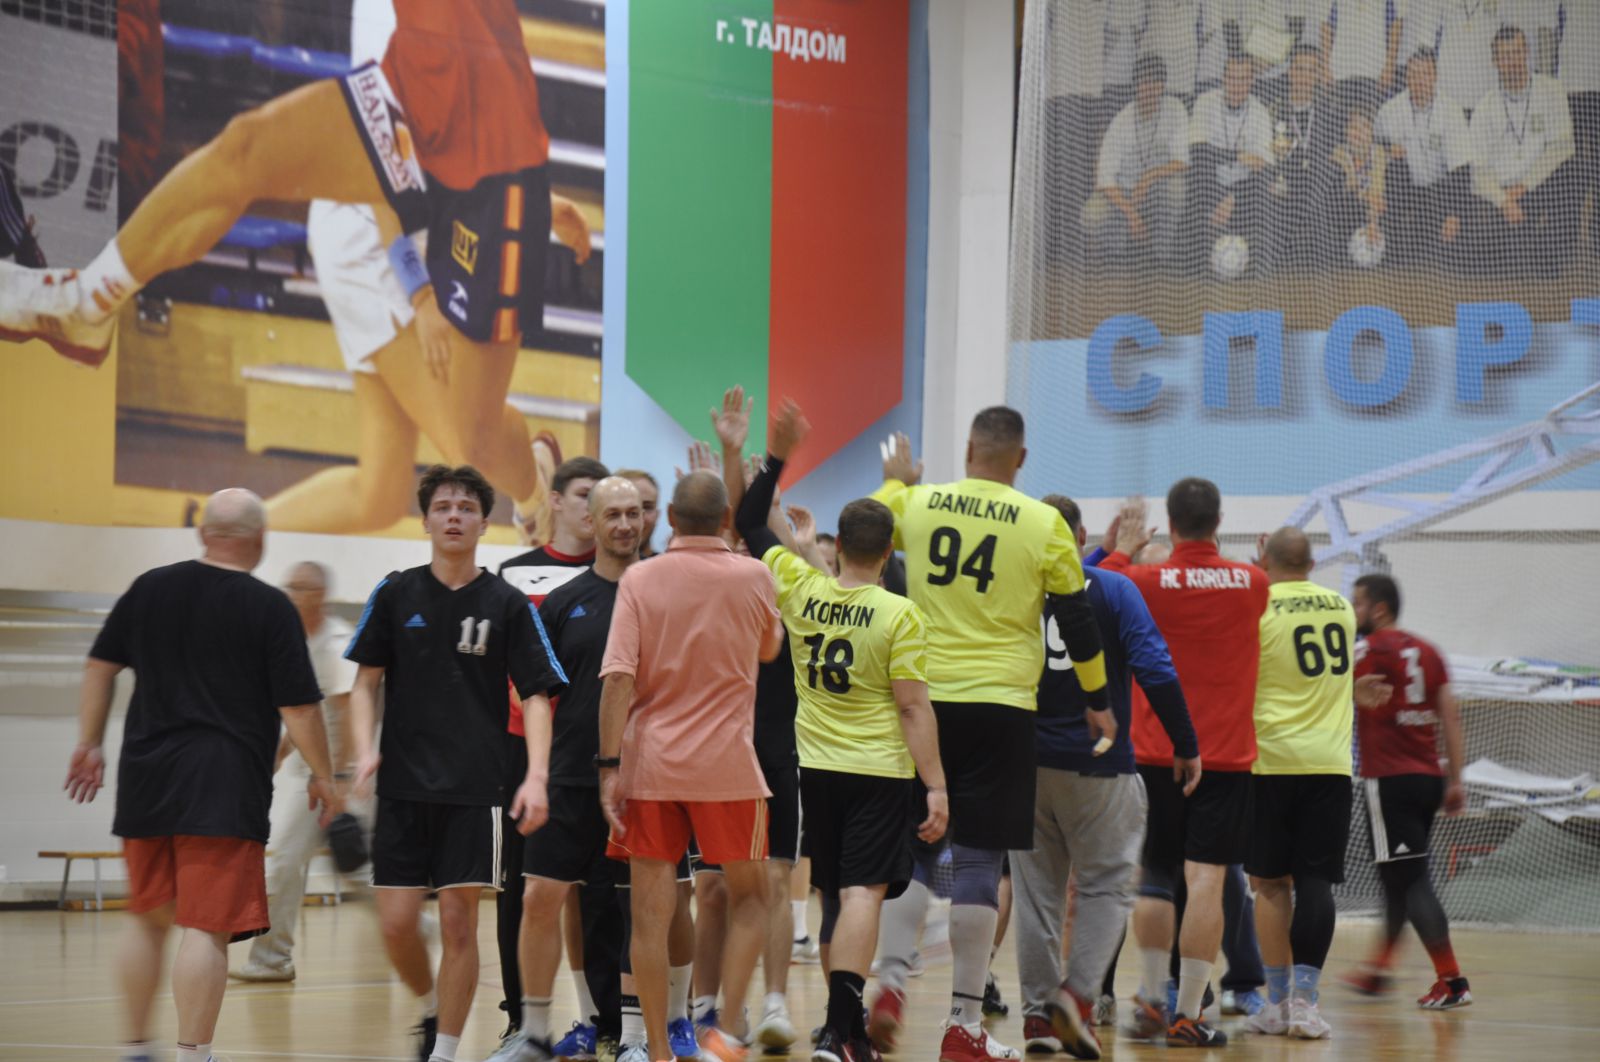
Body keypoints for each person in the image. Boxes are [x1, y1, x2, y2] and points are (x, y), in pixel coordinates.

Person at [0, 0, 581, 540]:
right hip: (394, 166)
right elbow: (396, 176)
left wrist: (519, 215)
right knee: (245, 145)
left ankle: (533, 491)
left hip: (474, 177)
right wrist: (420, 288)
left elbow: (471, 112)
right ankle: (89, 301)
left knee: (403, 480)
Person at [258, 0, 579, 540]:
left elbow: (460, 137)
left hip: (401, 227)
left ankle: (216, 530)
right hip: (372, 238)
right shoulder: (393, 18)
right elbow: (381, 162)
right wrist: (420, 293)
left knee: (379, 495)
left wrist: (541, 206)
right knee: (466, 449)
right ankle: (537, 502)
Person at [865, 410, 1112, 1062]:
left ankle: (890, 984)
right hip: (1003, 708)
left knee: (917, 850)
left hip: (926, 701)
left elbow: (864, 526)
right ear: (1021, 458)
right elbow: (1076, 618)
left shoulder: (919, 503)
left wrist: (897, 480)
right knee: (979, 862)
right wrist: (1097, 700)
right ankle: (964, 1027)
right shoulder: (1045, 523)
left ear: (970, 447)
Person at [65, 489, 342, 1062]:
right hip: (224, 786)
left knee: (148, 920)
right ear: (259, 539)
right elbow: (300, 708)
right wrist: (324, 775)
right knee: (205, 927)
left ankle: (137, 1050)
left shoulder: (149, 588)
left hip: (146, 779)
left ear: (203, 534)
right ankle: (194, 1056)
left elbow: (99, 666)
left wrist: (89, 743)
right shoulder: (269, 607)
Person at [734, 398, 950, 1062]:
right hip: (878, 771)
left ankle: (846, 1030)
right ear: (887, 551)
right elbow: (913, 709)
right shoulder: (899, 614)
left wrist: (777, 456)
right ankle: (837, 1029)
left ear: (841, 543)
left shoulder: (802, 588)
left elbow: (749, 521)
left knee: (833, 899)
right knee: (863, 895)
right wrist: (937, 786)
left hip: (813, 768)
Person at [347, 464, 568, 1062]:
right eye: (443, 507)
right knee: (396, 924)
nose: (453, 517)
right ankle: (429, 1006)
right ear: (425, 520)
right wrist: (365, 750)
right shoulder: (395, 593)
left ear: (483, 523)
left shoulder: (507, 603)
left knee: (458, 923)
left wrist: (537, 776)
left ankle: (443, 1052)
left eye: (466, 508)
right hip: (402, 787)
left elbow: (538, 695)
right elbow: (365, 684)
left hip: (476, 790)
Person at [597, 470, 786, 1062]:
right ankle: (725, 1029)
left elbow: (618, 679)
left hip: (651, 767)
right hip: (728, 767)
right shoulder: (756, 575)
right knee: (751, 898)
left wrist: (609, 767)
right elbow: (769, 649)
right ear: (726, 519)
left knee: (649, 918)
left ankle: (657, 1051)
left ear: (670, 519)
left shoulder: (639, 578)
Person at [1014, 495, 1198, 1062]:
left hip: (1024, 762)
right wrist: (1185, 742)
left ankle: (1038, 1017)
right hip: (1098, 761)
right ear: (1079, 535)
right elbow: (1155, 667)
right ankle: (1077, 998)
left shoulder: (1013, 589)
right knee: (1107, 885)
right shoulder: (1115, 590)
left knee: (1036, 896)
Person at [1095, 481, 1268, 1048]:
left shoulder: (1144, 580)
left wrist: (1121, 547)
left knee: (1154, 873)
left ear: (1168, 524)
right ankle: (1189, 1014)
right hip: (1225, 756)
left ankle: (1150, 996)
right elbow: (1263, 587)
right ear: (1219, 521)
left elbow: (1100, 586)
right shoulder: (1253, 581)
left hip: (1154, 751)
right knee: (1208, 880)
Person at [487, 477, 652, 1062]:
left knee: (638, 907)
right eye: (614, 514)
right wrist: (537, 769)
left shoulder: (660, 592)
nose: (625, 525)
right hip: (568, 774)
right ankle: (532, 1032)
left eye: (634, 513)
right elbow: (532, 690)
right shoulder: (562, 602)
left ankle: (633, 1038)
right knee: (540, 898)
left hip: (643, 778)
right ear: (593, 522)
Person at [496, 455, 611, 1050]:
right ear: (558, 501)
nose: (594, 507)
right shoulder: (515, 574)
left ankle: (603, 1020)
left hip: (595, 752)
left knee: (601, 895)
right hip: (526, 752)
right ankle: (523, 1022)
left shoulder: (621, 575)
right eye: (585, 493)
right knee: (523, 890)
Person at [1241, 528, 1359, 1041]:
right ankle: (1307, 1007)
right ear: (1312, 563)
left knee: (1269, 884)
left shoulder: (1258, 607)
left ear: (1265, 559)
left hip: (1269, 761)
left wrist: (1259, 574)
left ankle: (1276, 1004)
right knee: (1316, 884)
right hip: (1330, 764)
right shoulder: (1342, 608)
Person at [1343, 573, 1474, 1010]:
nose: (1353, 611)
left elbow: (1328, 693)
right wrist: (1456, 781)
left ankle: (1452, 981)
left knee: (1412, 879)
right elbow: (1450, 717)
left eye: (1357, 603)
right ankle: (1378, 970)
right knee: (1396, 879)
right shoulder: (1430, 651)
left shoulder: (1367, 650)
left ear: (1379, 609)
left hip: (1389, 781)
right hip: (1428, 778)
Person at [231, 561, 361, 982]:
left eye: (300, 587)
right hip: (319, 777)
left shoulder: (337, 642)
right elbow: (307, 713)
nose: (291, 593)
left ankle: (272, 959)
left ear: (319, 594)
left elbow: (348, 712)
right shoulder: (299, 641)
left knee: (292, 860)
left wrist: (339, 779)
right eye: (289, 586)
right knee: (355, 869)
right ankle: (420, 929)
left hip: (339, 780)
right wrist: (280, 755)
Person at [1468, 25, 1579, 276]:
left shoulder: (1552, 90)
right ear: (1495, 61)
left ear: (1527, 51)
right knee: (1483, 263)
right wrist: (1503, 200)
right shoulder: (1484, 107)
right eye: (1505, 55)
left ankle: (1555, 250)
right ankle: (1523, 243)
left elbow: (1563, 147)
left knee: (1576, 170)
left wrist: (1526, 184)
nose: (1513, 61)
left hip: (1539, 184)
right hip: (1504, 194)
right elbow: (1478, 170)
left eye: (1518, 52)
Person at [1083, 55, 1191, 270]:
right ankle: (1114, 253)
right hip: (1123, 191)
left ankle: (1161, 255)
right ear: (1136, 85)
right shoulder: (1122, 120)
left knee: (1177, 188)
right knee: (1090, 216)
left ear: (1163, 86)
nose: (1149, 89)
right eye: (1144, 82)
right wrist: (1131, 214)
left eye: (1155, 83)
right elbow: (1104, 178)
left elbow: (1182, 161)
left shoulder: (1175, 109)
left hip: (1157, 187)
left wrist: (1148, 177)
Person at [1375, 47, 1473, 267]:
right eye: (1413, 73)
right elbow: (1375, 154)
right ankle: (1392, 235)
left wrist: (1454, 215)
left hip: (1440, 190)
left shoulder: (1451, 111)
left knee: (1450, 257)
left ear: (1435, 76)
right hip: (1404, 191)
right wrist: (1388, 152)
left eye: (1425, 73)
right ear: (1406, 76)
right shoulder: (1389, 111)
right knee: (1395, 167)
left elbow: (1461, 169)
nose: (1419, 80)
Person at [1188, 54, 1275, 273]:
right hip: (1208, 189)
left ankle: (1258, 268)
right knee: (1199, 170)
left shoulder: (1260, 112)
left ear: (1252, 80)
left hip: (1243, 194)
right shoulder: (1205, 101)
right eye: (1232, 78)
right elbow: (1198, 152)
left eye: (1243, 79)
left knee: (1265, 186)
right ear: (1223, 78)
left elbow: (1265, 167)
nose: (1237, 86)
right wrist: (1239, 156)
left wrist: (1233, 197)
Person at [1265, 44, 1341, 271]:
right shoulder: (1274, 109)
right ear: (1290, 71)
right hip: (1285, 186)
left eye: (1311, 70)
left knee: (1325, 260)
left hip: (1319, 187)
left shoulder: (1330, 108)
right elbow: (1267, 152)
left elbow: (1335, 152)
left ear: (1318, 75)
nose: (1304, 76)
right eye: (1299, 69)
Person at [1557, 2, 1600, 253]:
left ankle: (1596, 235)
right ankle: (1567, 234)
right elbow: (1550, 27)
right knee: (1568, 164)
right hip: (1570, 86)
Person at [1330, 105, 1389, 262]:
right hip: (1347, 213)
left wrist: (1373, 224)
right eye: (1353, 127)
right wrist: (1365, 196)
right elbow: (1350, 190)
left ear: (1371, 132)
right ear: (1346, 131)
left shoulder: (1379, 154)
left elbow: (1377, 191)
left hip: (1374, 213)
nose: (1358, 133)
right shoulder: (1338, 154)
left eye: (1364, 127)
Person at [616, 469, 662, 558]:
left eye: (647, 507)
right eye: (628, 508)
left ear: (657, 515)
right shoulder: (586, 566)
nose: (639, 517)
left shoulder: (673, 566)